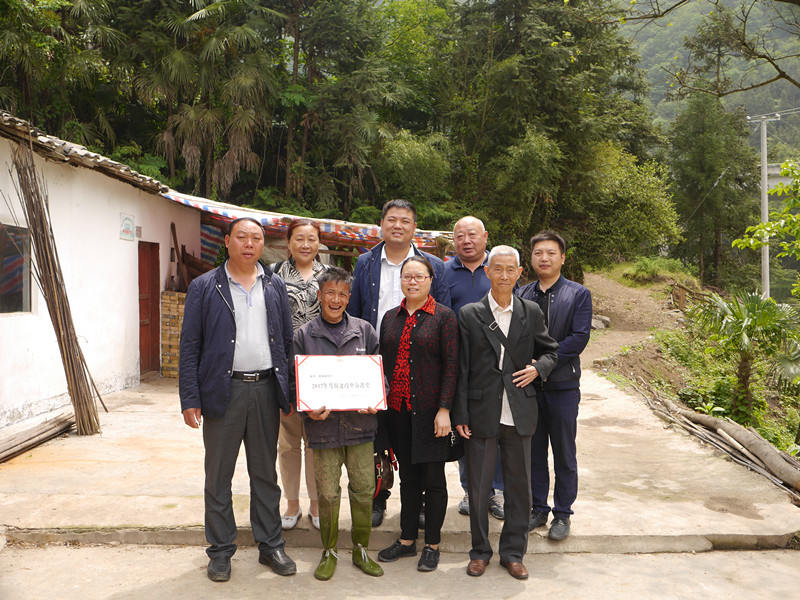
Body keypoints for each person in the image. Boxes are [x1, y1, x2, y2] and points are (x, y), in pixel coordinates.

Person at [179, 217, 296, 582]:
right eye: (241, 237)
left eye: (256, 238)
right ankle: (220, 550)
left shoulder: (274, 285)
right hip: (221, 390)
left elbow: (286, 341)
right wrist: (190, 397)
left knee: (264, 473)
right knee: (218, 474)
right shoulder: (204, 287)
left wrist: (288, 391)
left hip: (264, 389)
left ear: (264, 244)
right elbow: (190, 345)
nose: (249, 243)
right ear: (227, 241)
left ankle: (271, 545)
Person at [452, 245, 558, 580]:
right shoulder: (469, 314)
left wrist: (538, 369)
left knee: (519, 488)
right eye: (497, 269)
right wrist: (460, 414)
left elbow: (550, 352)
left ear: (519, 273)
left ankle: (513, 553)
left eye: (510, 269)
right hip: (481, 411)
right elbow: (461, 367)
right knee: (479, 489)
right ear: (487, 272)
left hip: (519, 410)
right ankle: (480, 552)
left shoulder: (531, 312)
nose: (503, 275)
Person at [347, 199, 451, 527]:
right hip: (376, 359)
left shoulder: (434, 265)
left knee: (418, 434)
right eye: (391, 219)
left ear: (414, 227)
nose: (398, 226)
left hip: (421, 363)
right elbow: (356, 311)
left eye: (405, 220)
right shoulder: (365, 262)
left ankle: (420, 500)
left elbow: (444, 312)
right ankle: (378, 495)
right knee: (375, 433)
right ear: (381, 224)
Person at [291, 267, 384, 581]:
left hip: (361, 427)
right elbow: (294, 383)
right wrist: (307, 411)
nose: (336, 299)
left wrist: (376, 398)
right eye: (330, 292)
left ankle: (361, 549)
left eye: (342, 294)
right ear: (319, 295)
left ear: (349, 297)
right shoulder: (304, 335)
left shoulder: (364, 331)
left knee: (364, 490)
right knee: (328, 494)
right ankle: (329, 550)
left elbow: (379, 374)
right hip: (323, 429)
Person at [377, 256, 459, 572]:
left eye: (419, 276)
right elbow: (381, 364)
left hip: (430, 413)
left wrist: (444, 409)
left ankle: (432, 545)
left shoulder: (444, 317)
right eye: (407, 276)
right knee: (408, 479)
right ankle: (407, 539)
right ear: (400, 280)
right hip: (397, 412)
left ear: (430, 280)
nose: (412, 282)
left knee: (434, 480)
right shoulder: (390, 318)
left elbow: (451, 366)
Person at [515, 231, 592, 541]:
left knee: (563, 452)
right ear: (531, 258)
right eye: (538, 253)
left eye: (550, 253)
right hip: (529, 388)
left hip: (562, 386)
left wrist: (541, 365)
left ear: (563, 258)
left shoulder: (578, 294)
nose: (544, 258)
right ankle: (538, 508)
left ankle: (562, 513)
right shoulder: (523, 293)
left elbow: (579, 338)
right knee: (533, 452)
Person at [444, 216, 504, 520]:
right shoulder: (443, 272)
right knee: (464, 427)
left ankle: (498, 491)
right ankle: (470, 489)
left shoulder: (499, 267)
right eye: (460, 236)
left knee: (498, 428)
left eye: (472, 235)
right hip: (459, 364)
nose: (466, 241)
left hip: (497, 364)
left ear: (485, 236)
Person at [269, 218, 327, 531]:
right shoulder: (273, 274)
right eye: (299, 238)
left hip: (320, 368)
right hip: (285, 368)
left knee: (316, 442)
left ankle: (316, 504)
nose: (306, 244)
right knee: (288, 443)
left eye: (312, 239)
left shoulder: (329, 276)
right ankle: (292, 504)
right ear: (288, 243)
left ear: (319, 243)